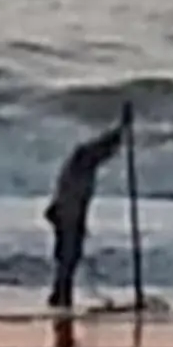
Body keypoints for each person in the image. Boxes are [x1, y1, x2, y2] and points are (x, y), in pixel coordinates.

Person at [43, 103, 133, 313]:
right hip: (67, 213)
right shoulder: (81, 162)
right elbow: (103, 148)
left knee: (69, 255)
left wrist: (122, 130)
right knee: (68, 254)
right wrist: (122, 129)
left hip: (68, 211)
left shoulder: (82, 164)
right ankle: (61, 294)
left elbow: (105, 148)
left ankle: (61, 293)